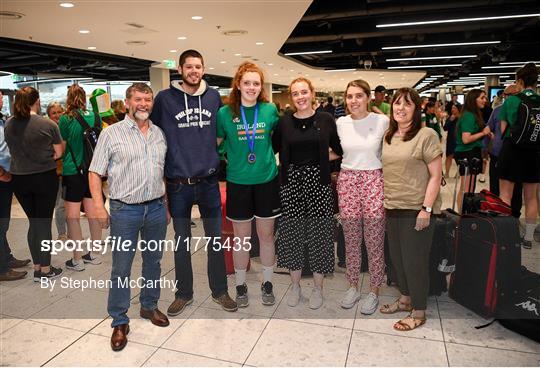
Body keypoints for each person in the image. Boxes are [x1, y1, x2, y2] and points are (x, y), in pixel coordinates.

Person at [149, 49, 237, 316]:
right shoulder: (164, 99)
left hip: (209, 180)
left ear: (203, 68)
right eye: (189, 67)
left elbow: (223, 134)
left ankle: (220, 291)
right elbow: (153, 135)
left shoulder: (213, 97)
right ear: (179, 69)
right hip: (178, 184)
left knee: (215, 240)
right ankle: (183, 294)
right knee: (181, 241)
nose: (194, 71)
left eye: (198, 67)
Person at [89, 82, 169, 351]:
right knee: (121, 268)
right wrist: (99, 207)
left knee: (153, 261)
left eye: (147, 99)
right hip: (124, 210)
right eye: (138, 99)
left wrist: (166, 203)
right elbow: (94, 172)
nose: (143, 104)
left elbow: (162, 173)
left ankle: (148, 306)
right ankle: (119, 320)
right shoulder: (111, 134)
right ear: (127, 103)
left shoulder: (159, 134)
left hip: (156, 208)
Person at [273, 77, 342, 309]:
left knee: (319, 236)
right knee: (292, 235)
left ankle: (318, 289)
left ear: (312, 93)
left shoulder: (326, 119)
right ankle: (295, 287)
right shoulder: (284, 123)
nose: (300, 97)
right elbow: (273, 149)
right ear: (291, 97)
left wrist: (320, 161)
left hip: (319, 183)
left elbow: (339, 151)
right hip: (291, 182)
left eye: (304, 92)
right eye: (295, 93)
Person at [216, 61, 281, 307]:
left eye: (256, 83)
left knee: (266, 236)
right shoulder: (225, 113)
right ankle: (240, 286)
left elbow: (277, 139)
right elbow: (218, 143)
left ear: (260, 86)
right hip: (238, 182)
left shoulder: (269, 110)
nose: (252, 87)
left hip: (266, 181)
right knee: (241, 239)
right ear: (238, 85)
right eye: (247, 83)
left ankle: (267, 283)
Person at [380, 87, 443, 331]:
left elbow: (436, 176)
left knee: (414, 261)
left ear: (416, 109)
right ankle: (405, 299)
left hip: (416, 209)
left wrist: (426, 209)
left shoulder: (426, 135)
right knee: (398, 260)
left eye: (407, 104)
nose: (401, 108)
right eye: (397, 103)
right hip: (392, 207)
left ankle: (419, 311)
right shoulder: (389, 136)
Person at [336, 79, 389, 314]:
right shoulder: (341, 122)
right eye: (349, 96)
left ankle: (374, 289)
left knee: (375, 239)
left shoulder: (382, 121)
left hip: (373, 180)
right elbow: (334, 151)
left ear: (368, 97)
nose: (354, 101)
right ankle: (353, 285)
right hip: (347, 180)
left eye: (359, 96)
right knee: (351, 239)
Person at [4, 86, 64, 280]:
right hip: (43, 177)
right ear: (36, 101)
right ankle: (45, 270)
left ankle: (38, 264)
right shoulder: (48, 125)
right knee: (44, 223)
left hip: (19, 178)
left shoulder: (9, 123)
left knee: (33, 222)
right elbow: (58, 154)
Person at [59, 84, 102, 271]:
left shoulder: (65, 119)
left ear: (68, 98)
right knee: (92, 214)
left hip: (72, 170)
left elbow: (60, 149)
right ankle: (94, 254)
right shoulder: (94, 116)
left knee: (72, 216)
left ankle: (77, 259)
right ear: (84, 98)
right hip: (92, 171)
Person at [499, 63, 540, 249]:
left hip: (512, 150)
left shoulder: (511, 101)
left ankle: (505, 235)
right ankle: (529, 238)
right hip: (535, 151)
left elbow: (503, 129)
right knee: (531, 197)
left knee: (505, 194)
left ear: (521, 81)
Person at [0, 90, 31, 281]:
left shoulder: (3, 119)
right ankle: (2, 269)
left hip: (6, 176)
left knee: (3, 225)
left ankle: (6, 258)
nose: (2, 98)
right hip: (1, 177)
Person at [486, 84, 523, 218]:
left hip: (513, 155)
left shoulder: (520, 111)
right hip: (499, 155)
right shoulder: (497, 111)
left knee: (514, 191)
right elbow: (489, 127)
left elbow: (501, 130)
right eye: (505, 96)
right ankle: (498, 219)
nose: (506, 99)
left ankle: (510, 219)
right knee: (497, 189)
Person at [453, 89, 492, 213]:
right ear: (473, 99)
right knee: (466, 188)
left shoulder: (474, 114)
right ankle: (461, 216)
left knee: (469, 188)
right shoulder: (469, 115)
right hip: (467, 152)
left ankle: (465, 214)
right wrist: (483, 133)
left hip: (471, 151)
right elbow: (466, 139)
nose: (485, 100)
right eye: (482, 98)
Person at [46, 102, 68, 241]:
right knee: (60, 205)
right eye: (54, 113)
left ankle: (72, 231)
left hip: (70, 171)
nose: (57, 115)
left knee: (70, 204)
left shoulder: (67, 127)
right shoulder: (48, 130)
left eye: (59, 112)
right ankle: (62, 233)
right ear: (49, 115)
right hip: (56, 172)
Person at [443, 104, 460, 178]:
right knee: (449, 156)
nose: (452, 109)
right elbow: (445, 128)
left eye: (454, 108)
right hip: (450, 140)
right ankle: (447, 173)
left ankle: (459, 173)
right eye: (452, 108)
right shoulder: (450, 118)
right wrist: (450, 120)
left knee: (458, 157)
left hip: (459, 141)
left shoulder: (462, 118)